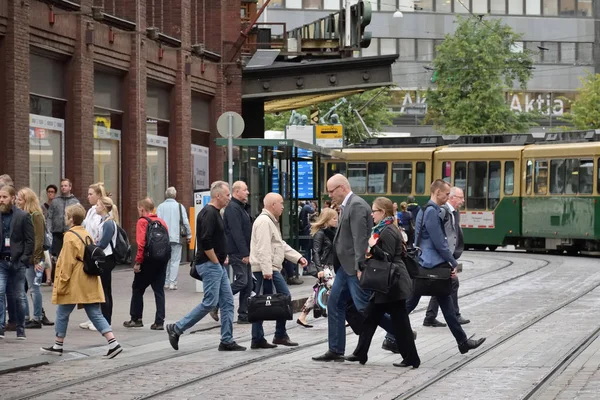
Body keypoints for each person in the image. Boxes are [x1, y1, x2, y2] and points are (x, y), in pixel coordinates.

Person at [313, 174, 401, 362]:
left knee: (365, 308)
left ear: (342, 188)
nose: (329, 195)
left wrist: (360, 266)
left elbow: (360, 239)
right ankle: (335, 349)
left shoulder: (357, 205)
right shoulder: (347, 206)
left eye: (331, 191)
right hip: (345, 268)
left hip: (354, 268)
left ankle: (401, 332)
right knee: (334, 304)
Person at [406, 179, 485, 354]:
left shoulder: (424, 210)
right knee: (408, 306)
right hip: (431, 266)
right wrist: (453, 262)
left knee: (446, 305)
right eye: (446, 194)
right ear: (437, 192)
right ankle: (389, 333)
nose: (448, 197)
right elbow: (439, 242)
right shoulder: (432, 212)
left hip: (425, 265)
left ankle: (463, 342)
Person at [166, 181, 246, 351]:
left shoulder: (216, 212)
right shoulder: (209, 213)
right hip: (209, 265)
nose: (229, 198)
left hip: (216, 264)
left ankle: (226, 340)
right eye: (227, 195)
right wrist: (216, 260)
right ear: (218, 195)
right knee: (210, 302)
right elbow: (205, 240)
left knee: (227, 302)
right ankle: (177, 328)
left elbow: (214, 240)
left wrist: (221, 257)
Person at [41, 204, 122, 359]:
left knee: (62, 312)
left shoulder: (69, 236)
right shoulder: (86, 233)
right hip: (89, 279)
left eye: (66, 215)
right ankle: (113, 343)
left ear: (71, 219)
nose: (65, 218)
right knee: (94, 312)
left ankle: (58, 344)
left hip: (75, 281)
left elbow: (67, 262)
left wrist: (61, 283)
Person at [346, 197, 420, 368]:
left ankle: (411, 358)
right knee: (371, 319)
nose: (372, 214)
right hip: (389, 283)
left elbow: (386, 258)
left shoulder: (387, 231)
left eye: (374, 211)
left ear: (383, 212)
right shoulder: (386, 228)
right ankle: (361, 353)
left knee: (400, 324)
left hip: (392, 284)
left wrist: (373, 246)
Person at [249, 193, 307, 349]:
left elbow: (279, 244)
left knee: (260, 303)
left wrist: (297, 257)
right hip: (266, 269)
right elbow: (263, 248)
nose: (283, 206)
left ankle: (258, 338)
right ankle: (279, 335)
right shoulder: (264, 222)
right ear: (272, 205)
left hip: (268, 268)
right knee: (283, 298)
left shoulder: (270, 221)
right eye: (281, 203)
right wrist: (267, 270)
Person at [423, 187, 470, 327]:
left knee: (441, 286)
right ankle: (454, 316)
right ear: (452, 198)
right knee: (450, 283)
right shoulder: (443, 211)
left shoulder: (454, 212)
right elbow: (441, 238)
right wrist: (449, 259)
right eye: (460, 198)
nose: (463, 201)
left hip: (446, 256)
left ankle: (430, 317)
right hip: (441, 257)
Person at [123, 197, 169, 330]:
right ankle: (159, 321)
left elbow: (141, 244)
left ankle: (136, 318)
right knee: (159, 291)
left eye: (138, 208)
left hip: (147, 261)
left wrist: (138, 262)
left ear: (142, 209)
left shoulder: (142, 222)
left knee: (137, 288)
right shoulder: (161, 222)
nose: (138, 211)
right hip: (161, 261)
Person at [16, 188, 54, 329]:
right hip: (25, 257)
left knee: (33, 288)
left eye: (20, 199)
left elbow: (39, 239)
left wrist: (37, 259)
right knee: (23, 288)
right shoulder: (24, 215)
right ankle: (26, 316)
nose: (17, 202)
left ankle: (36, 318)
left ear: (27, 201)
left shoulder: (36, 215)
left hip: (33, 258)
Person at [0, 185, 34, 339]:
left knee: (19, 296)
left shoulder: (22, 216)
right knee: (0, 292)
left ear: (13, 198)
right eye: (0, 197)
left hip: (17, 262)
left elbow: (30, 240)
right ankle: (0, 327)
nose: (1, 200)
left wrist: (24, 259)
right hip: (1, 261)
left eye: (4, 197)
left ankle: (21, 328)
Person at [297, 207, 338, 328]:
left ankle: (302, 316)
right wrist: (319, 270)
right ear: (327, 219)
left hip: (331, 266)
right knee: (333, 289)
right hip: (324, 267)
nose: (337, 220)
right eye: (334, 218)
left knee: (317, 292)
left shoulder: (333, 232)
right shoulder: (320, 233)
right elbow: (315, 252)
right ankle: (343, 316)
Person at [223, 181, 253, 324]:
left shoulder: (241, 207)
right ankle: (218, 300)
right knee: (242, 281)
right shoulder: (233, 208)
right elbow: (237, 233)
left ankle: (243, 314)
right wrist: (245, 253)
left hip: (244, 251)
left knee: (248, 284)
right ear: (236, 192)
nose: (248, 192)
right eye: (245, 190)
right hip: (237, 252)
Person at [156, 187, 192, 291]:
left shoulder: (160, 207)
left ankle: (166, 282)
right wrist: (189, 235)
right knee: (175, 260)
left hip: (163, 238)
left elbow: (157, 222)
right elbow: (185, 222)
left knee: (165, 260)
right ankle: (173, 283)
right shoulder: (180, 207)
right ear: (175, 195)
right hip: (176, 237)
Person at [93, 196, 119, 326]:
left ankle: (106, 319)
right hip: (104, 257)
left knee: (105, 289)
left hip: (106, 258)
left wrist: (93, 247)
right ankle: (104, 318)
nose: (96, 207)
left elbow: (103, 243)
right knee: (104, 288)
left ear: (103, 207)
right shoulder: (104, 221)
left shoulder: (108, 222)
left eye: (98, 205)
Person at [46, 178, 79, 257]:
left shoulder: (75, 202)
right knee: (57, 256)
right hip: (56, 234)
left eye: (65, 186)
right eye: (62, 186)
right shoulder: (55, 201)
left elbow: (78, 218)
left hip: (70, 233)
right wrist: (49, 230)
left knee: (69, 255)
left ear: (70, 187)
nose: (63, 187)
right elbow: (49, 217)